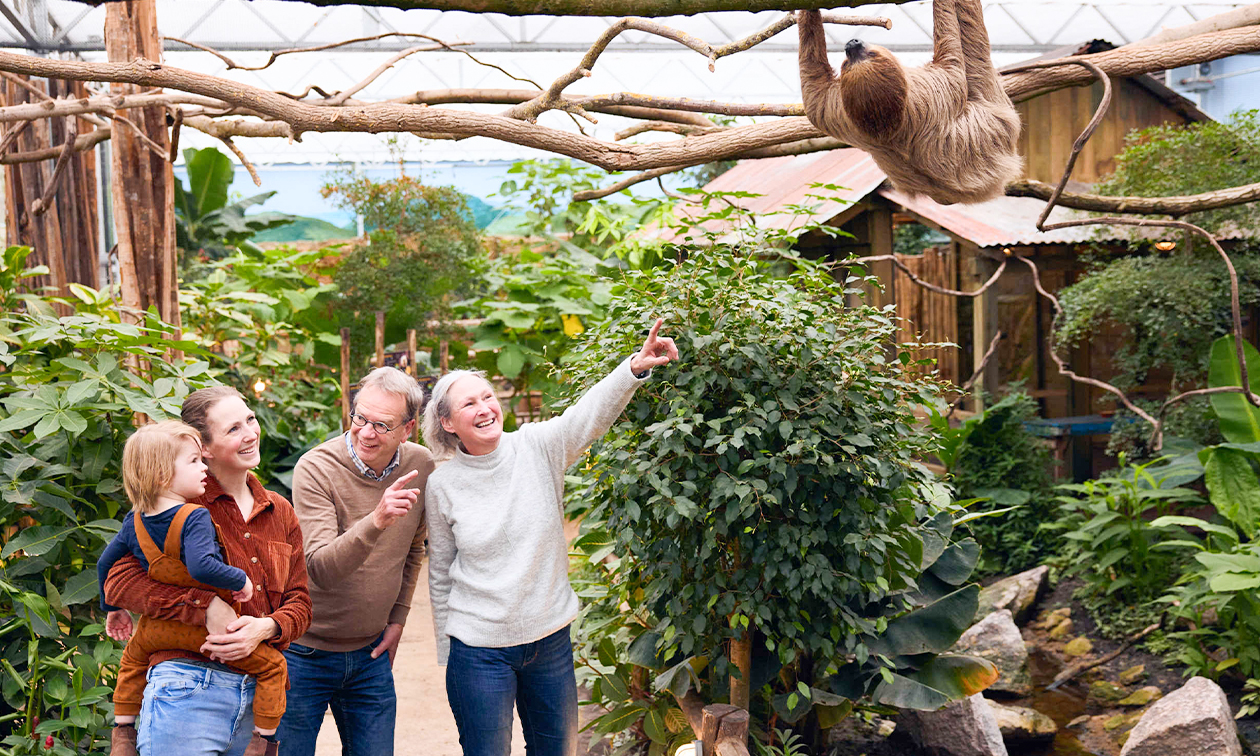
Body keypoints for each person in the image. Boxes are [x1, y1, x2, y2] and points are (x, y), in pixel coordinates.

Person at [423, 318, 678, 756]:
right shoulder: (443, 484)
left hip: (549, 641)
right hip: (479, 651)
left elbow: (587, 418)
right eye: (469, 404)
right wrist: (448, 653)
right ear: (447, 423)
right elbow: (442, 573)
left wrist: (633, 368)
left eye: (488, 397)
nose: (485, 408)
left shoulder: (537, 447)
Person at [103, 386, 313, 756]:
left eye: (250, 419)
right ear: (204, 448)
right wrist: (204, 605)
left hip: (260, 695)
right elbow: (119, 580)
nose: (250, 433)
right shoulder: (176, 500)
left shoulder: (279, 510)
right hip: (189, 687)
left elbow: (300, 603)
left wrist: (268, 627)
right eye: (233, 429)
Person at [281, 366, 434, 756]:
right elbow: (320, 569)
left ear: (408, 428)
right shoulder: (316, 468)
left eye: (381, 426)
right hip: (305, 652)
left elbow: (415, 549)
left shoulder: (420, 465)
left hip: (370, 656)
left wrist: (398, 619)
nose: (365, 432)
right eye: (360, 418)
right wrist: (377, 519)